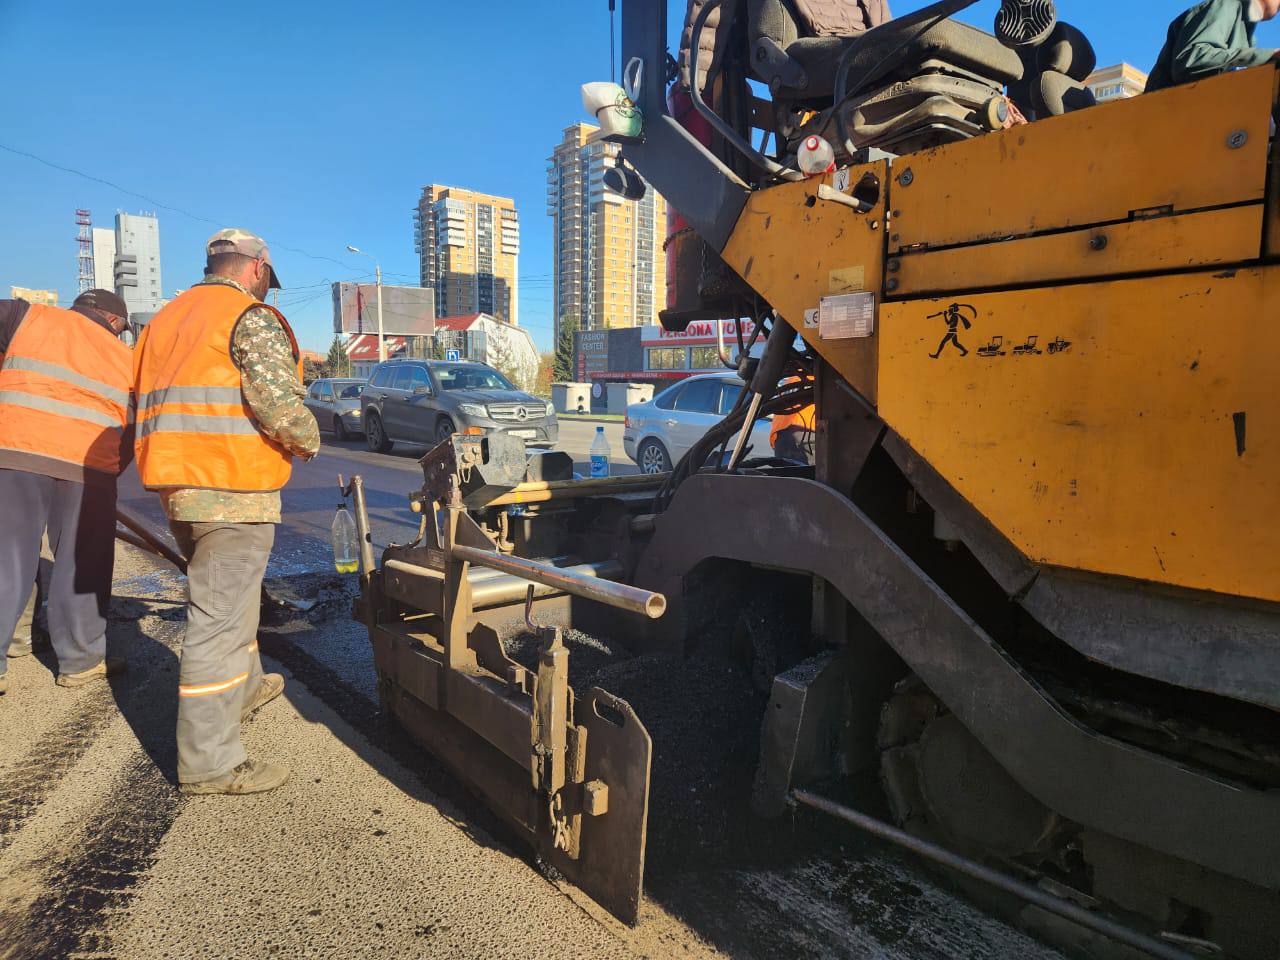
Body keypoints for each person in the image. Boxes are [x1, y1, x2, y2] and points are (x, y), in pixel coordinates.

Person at [134, 229, 319, 796]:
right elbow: (277, 402)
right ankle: (210, 762)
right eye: (268, 279)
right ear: (257, 268)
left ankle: (245, 688)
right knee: (217, 622)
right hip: (232, 488)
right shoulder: (247, 316)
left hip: (179, 489)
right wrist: (308, 438)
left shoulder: (166, 320)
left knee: (231, 609)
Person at [0, 289, 134, 695]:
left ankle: (12, 648)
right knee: (82, 563)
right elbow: (132, 429)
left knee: (7, 558)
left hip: (14, 453)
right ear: (114, 322)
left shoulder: (25, 316)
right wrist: (111, 471)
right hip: (88, 471)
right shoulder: (127, 358)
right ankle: (80, 661)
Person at [1146, 0, 1280, 93]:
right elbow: (1190, 62)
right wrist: (1268, 56)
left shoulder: (1246, 34)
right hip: (1166, 116)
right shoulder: (1227, 5)